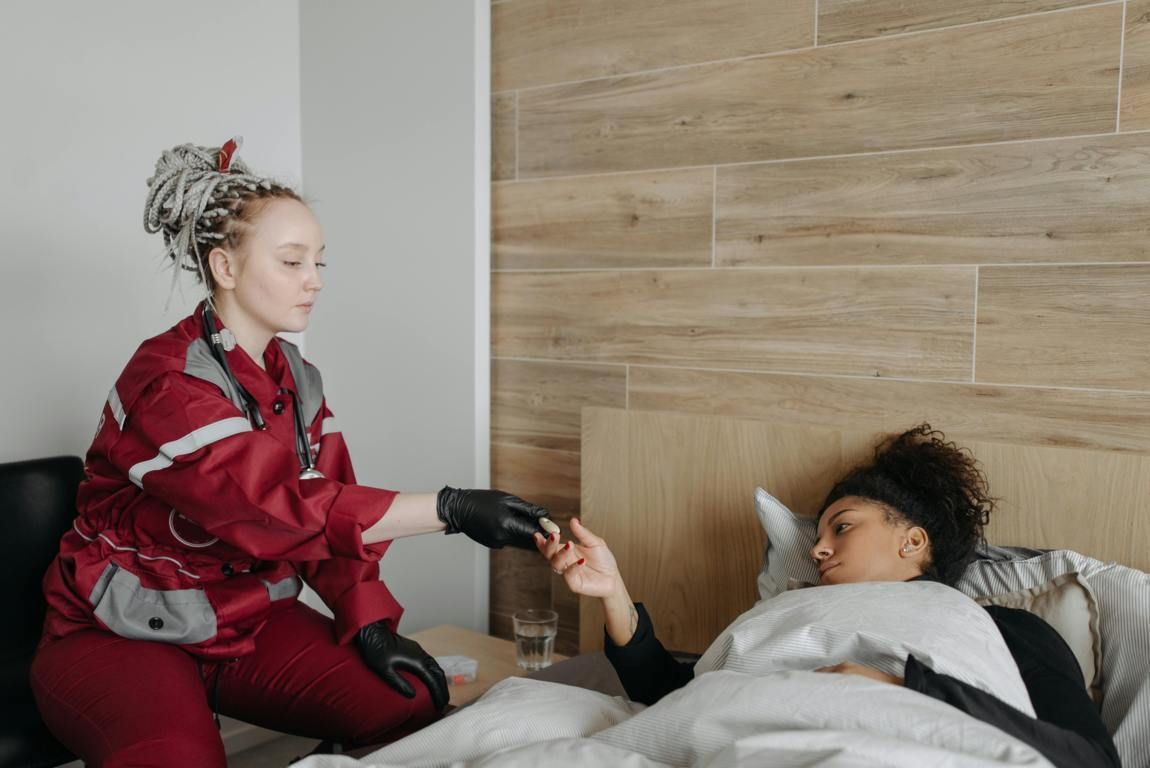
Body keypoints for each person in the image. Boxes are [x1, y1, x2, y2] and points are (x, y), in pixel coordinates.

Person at [31, 139, 549, 768]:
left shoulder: (295, 377)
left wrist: (370, 622)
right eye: (292, 262)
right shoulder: (167, 383)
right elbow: (278, 506)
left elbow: (328, 499)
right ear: (225, 267)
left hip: (240, 620)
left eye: (319, 263)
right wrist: (453, 509)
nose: (314, 282)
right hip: (121, 632)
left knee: (405, 699)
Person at [537, 424, 1121, 768]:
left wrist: (901, 687)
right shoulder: (789, 611)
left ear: (912, 540)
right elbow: (679, 703)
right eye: (816, 536)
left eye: (841, 527)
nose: (816, 551)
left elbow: (1087, 760)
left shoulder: (1001, 630)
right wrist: (612, 592)